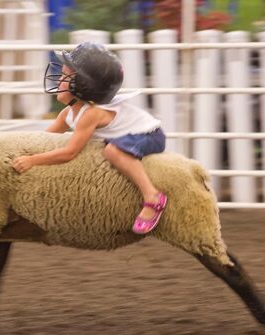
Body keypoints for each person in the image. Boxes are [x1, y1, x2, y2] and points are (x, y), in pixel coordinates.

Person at [12, 42, 167, 234]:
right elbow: (44, 139)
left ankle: (152, 196)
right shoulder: (67, 114)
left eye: (64, 76)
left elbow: (70, 153)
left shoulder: (91, 114)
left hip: (148, 134)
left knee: (112, 150)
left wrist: (32, 161)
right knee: (109, 147)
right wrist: (19, 151)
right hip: (129, 135)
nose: (58, 79)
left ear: (83, 86)